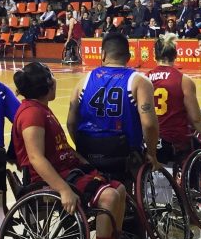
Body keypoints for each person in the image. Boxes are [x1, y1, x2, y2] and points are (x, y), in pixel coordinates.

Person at [11, 62, 135, 239]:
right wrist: (64, 190)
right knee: (109, 197)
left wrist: (83, 162)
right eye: (52, 77)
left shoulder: (41, 109)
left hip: (69, 171)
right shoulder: (31, 114)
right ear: (47, 84)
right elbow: (36, 158)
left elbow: (62, 147)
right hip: (52, 180)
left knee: (120, 189)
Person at [68, 33, 160, 178]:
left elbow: (71, 123)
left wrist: (84, 148)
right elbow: (149, 125)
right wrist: (152, 153)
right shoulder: (139, 81)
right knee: (127, 191)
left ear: (103, 54)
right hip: (123, 155)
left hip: (88, 151)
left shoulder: (84, 81)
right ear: (129, 57)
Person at [148, 36, 201, 166]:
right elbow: (196, 119)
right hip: (175, 139)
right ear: (175, 55)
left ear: (154, 55)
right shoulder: (184, 80)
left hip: (151, 139)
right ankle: (193, 185)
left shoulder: (143, 79)